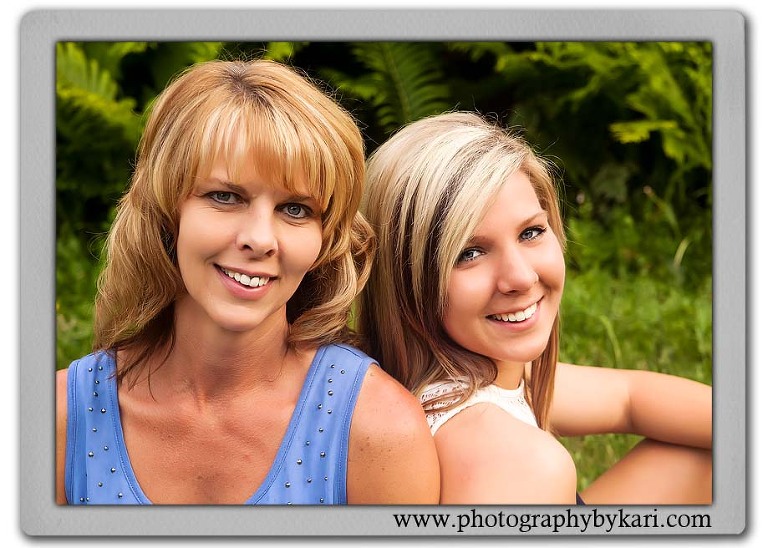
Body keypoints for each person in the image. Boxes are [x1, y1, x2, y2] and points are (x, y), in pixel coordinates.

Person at [55, 59, 439, 505]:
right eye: (225, 196)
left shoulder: (378, 430)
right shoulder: (59, 416)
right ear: (165, 212)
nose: (260, 239)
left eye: (295, 209)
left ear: (326, 238)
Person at [358, 111, 712, 505]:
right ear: (406, 283)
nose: (522, 277)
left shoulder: (472, 378)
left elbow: (628, 399)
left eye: (531, 232)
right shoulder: (516, 462)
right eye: (469, 253)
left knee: (706, 458)